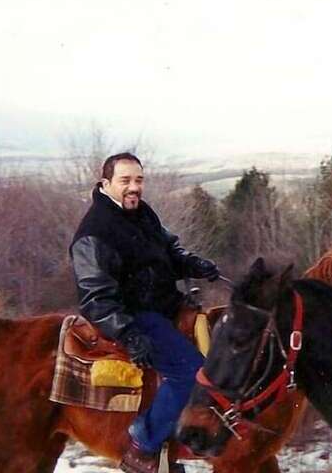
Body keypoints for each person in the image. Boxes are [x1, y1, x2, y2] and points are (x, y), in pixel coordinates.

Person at [70, 152, 220, 473]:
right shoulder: (94, 232)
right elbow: (95, 297)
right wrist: (129, 333)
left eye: (138, 180)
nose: (134, 187)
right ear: (105, 183)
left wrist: (191, 263)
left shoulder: (140, 212)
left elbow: (168, 248)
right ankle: (144, 445)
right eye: (125, 181)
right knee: (190, 372)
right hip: (135, 314)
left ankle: (173, 445)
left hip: (164, 304)